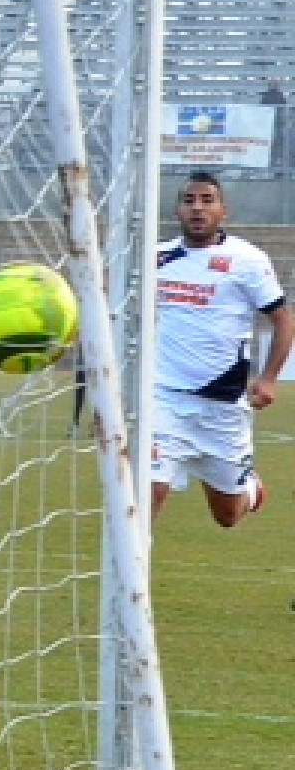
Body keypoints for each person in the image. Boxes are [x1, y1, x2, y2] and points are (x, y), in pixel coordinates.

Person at [150, 171, 293, 528]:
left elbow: (283, 320)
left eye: (206, 200)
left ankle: (251, 490)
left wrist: (269, 378)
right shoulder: (156, 258)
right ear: (178, 211)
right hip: (163, 399)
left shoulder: (247, 260)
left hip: (222, 407)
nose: (197, 208)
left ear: (223, 211)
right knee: (149, 489)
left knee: (228, 516)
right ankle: (130, 581)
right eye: (189, 201)